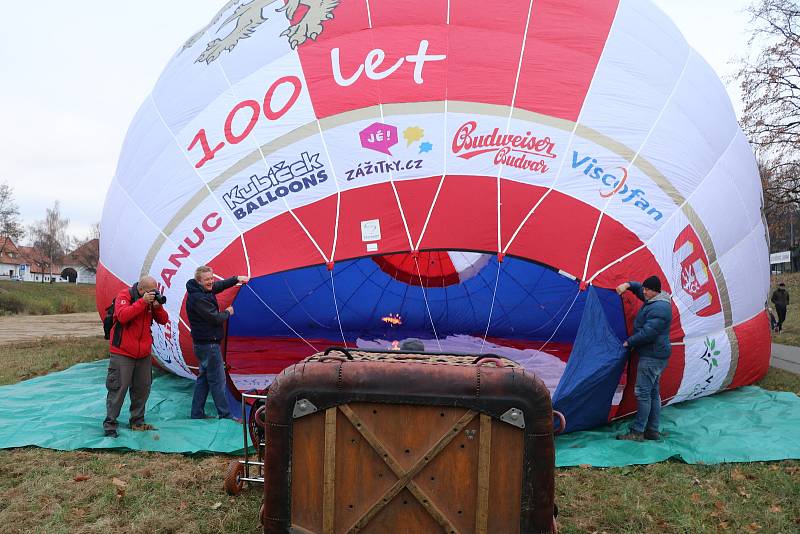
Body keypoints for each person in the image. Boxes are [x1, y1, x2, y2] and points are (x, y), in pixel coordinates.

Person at [104, 275, 169, 438]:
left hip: (143, 353)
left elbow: (163, 320)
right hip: (122, 352)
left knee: (143, 387)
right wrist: (142, 302)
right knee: (118, 387)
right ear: (141, 290)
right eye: (151, 291)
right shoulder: (125, 295)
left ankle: (137, 421)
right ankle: (110, 423)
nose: (154, 293)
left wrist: (157, 306)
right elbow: (123, 316)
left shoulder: (149, 301)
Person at [186, 265, 249, 420]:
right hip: (209, 345)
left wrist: (236, 279)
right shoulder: (199, 298)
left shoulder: (202, 290)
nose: (211, 282)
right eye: (207, 279)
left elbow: (218, 286)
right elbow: (215, 318)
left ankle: (197, 413)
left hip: (203, 344)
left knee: (204, 380)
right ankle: (226, 415)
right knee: (218, 381)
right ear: (199, 281)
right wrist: (228, 312)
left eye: (212, 278)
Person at [615, 276, 672, 442]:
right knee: (653, 393)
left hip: (652, 356)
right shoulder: (655, 297)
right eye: (644, 289)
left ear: (655, 291)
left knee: (643, 394)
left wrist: (629, 342)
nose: (644, 292)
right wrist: (628, 285)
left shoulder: (660, 308)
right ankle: (652, 430)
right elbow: (640, 288)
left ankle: (637, 431)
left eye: (647, 290)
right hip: (657, 355)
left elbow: (648, 333)